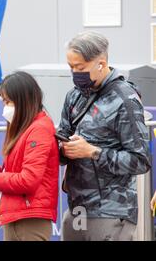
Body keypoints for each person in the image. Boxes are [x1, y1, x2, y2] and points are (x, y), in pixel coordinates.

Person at [58, 31, 152, 241]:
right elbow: (61, 136)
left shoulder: (125, 99)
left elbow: (140, 160)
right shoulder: (74, 96)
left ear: (100, 64)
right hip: (76, 205)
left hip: (111, 209)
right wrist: (63, 149)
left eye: (80, 68)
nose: (74, 73)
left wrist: (93, 152)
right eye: (71, 67)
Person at [0, 71, 59, 241]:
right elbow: (14, 171)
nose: (6, 107)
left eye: (8, 102)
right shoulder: (26, 127)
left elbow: (28, 180)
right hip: (18, 214)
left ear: (24, 100)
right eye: (4, 102)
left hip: (29, 218)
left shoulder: (39, 129)